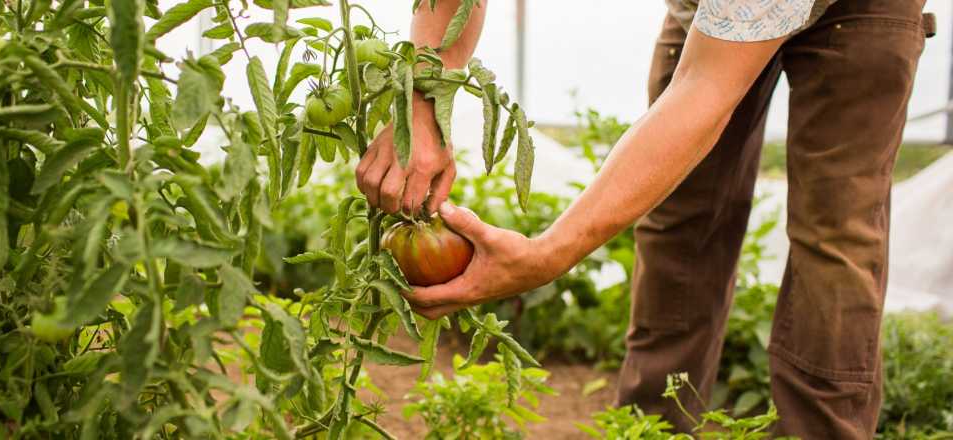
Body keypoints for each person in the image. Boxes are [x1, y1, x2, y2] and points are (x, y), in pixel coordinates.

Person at [354, 0, 935, 437]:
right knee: (678, 214)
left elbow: (708, 87)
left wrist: (551, 253)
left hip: (861, 11)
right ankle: (650, 426)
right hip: (717, 10)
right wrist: (422, 98)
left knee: (836, 239)